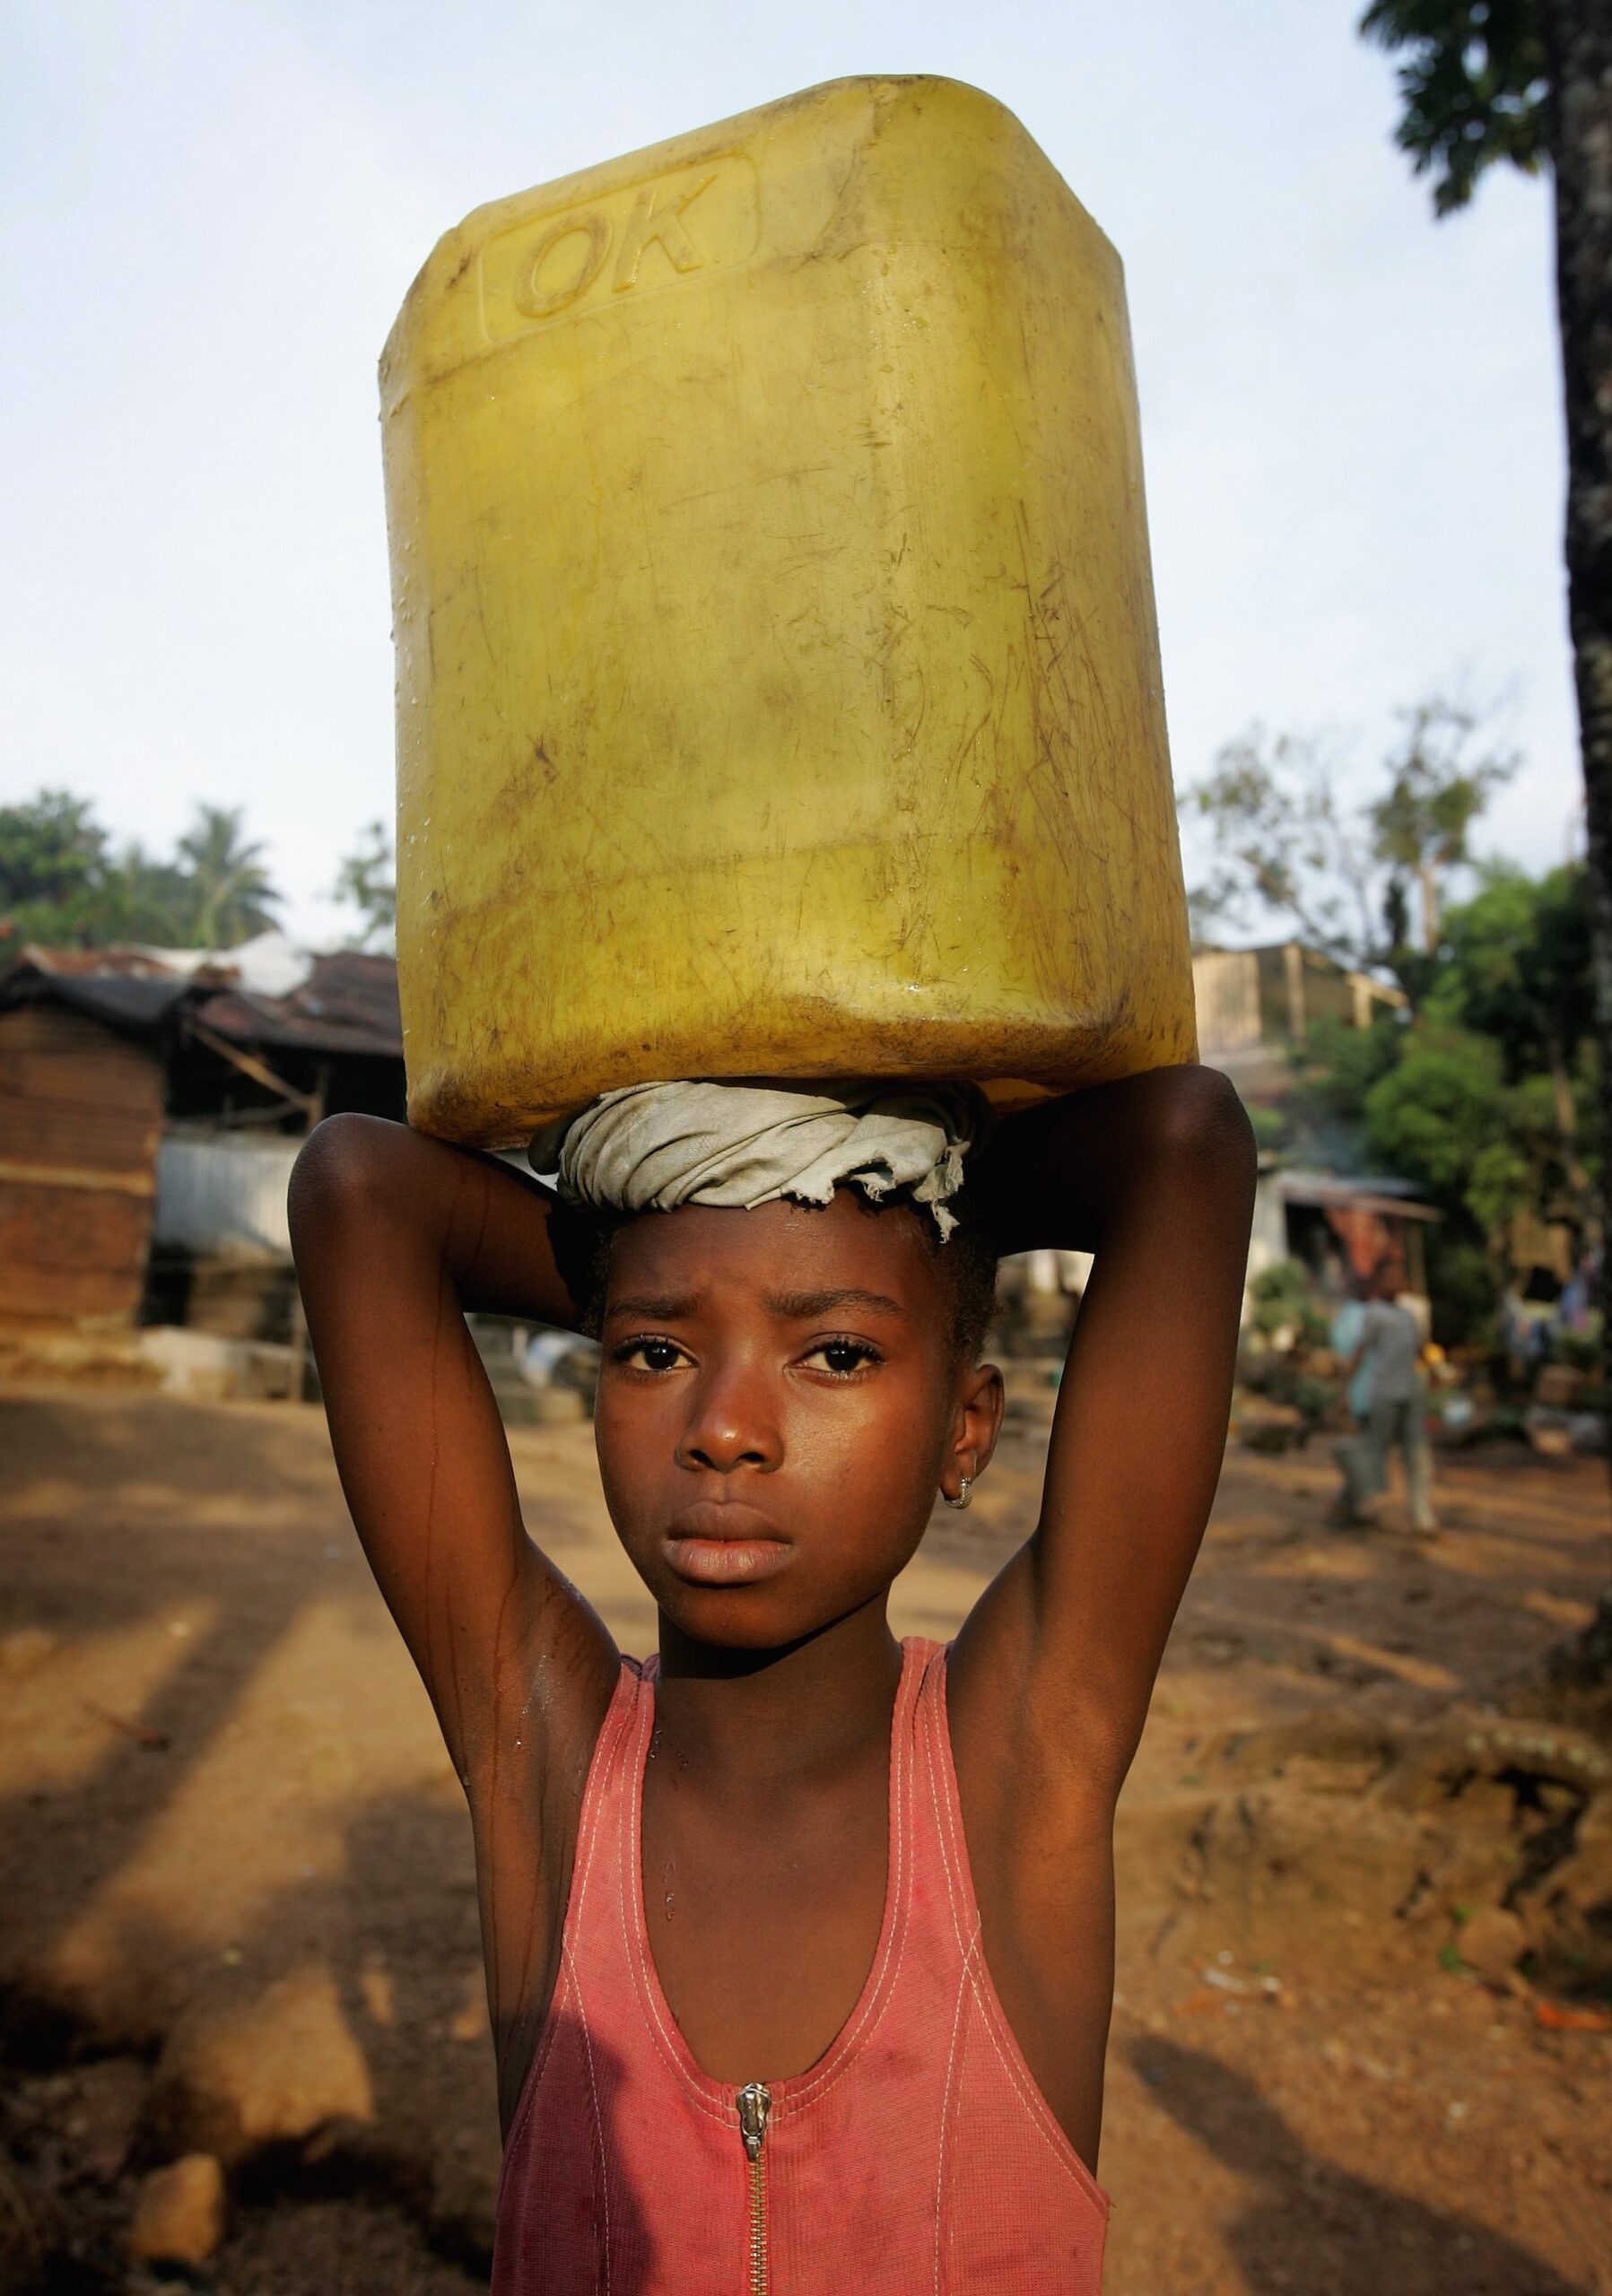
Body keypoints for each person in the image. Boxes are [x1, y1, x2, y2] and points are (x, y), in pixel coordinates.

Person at [288, 1064, 1255, 2292]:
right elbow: (360, 1190)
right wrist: (744, 1214)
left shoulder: (1015, 1769)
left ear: (965, 1427)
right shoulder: (550, 1769)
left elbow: (1182, 1140)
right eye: (652, 1353)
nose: (726, 1425)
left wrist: (887, 1202)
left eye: (838, 1352)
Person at [1333, 1267, 1437, 1536]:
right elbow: (1359, 1352)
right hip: (1384, 1394)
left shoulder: (1408, 1315)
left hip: (1411, 1392)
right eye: (1391, 1277)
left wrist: (1436, 1373)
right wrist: (1345, 1392)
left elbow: (1419, 1350)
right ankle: (1345, 1500)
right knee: (1375, 1452)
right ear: (1380, 1283)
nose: (1397, 1280)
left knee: (1417, 1456)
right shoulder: (1374, 1314)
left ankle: (1422, 1516)